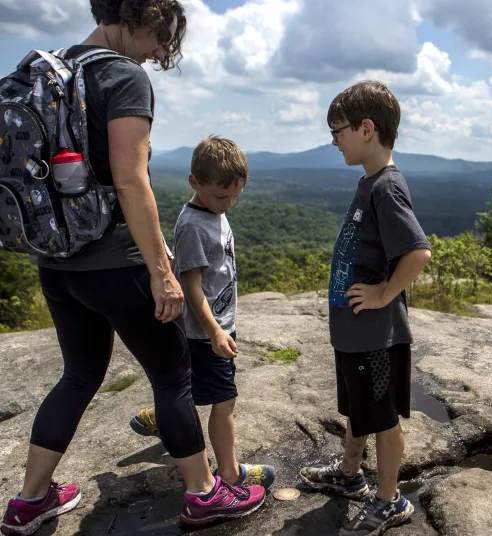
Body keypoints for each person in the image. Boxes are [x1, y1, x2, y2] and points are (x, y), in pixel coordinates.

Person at [0, 3, 264, 534]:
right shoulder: (121, 76)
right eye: (164, 42)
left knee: (78, 375)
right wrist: (162, 270)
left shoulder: (52, 69)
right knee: (172, 374)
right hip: (114, 262)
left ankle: (29, 502)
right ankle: (203, 493)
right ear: (145, 18)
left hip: (58, 262)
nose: (161, 55)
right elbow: (131, 180)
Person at [299, 81, 432, 536]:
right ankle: (350, 474)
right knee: (360, 409)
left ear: (367, 128)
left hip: (376, 333)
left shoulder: (387, 186)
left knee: (384, 418)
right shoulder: (370, 182)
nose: (334, 139)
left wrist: (382, 294)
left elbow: (417, 252)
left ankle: (389, 500)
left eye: (338, 130)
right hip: (355, 332)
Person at [128, 135, 276, 492]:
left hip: (216, 328)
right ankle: (230, 472)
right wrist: (214, 331)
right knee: (225, 401)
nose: (228, 204)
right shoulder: (194, 225)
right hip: (206, 331)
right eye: (221, 196)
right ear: (194, 183)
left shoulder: (211, 212)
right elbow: (192, 286)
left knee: (192, 387)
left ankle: (162, 419)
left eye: (235, 196)